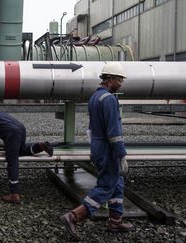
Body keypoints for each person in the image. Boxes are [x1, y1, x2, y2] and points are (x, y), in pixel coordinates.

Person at [60, 62, 133, 241]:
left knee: (117, 182)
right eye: (120, 80)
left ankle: (115, 221)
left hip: (98, 145)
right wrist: (121, 154)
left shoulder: (95, 97)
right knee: (107, 185)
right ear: (111, 79)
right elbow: (114, 132)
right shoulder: (109, 99)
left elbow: (92, 128)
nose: (121, 84)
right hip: (108, 148)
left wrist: (95, 149)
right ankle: (74, 216)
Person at [0, 102, 53, 203]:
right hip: (21, 129)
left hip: (12, 134)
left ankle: (14, 194)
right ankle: (39, 146)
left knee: (12, 161)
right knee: (20, 151)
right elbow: (5, 126)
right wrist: (9, 147)